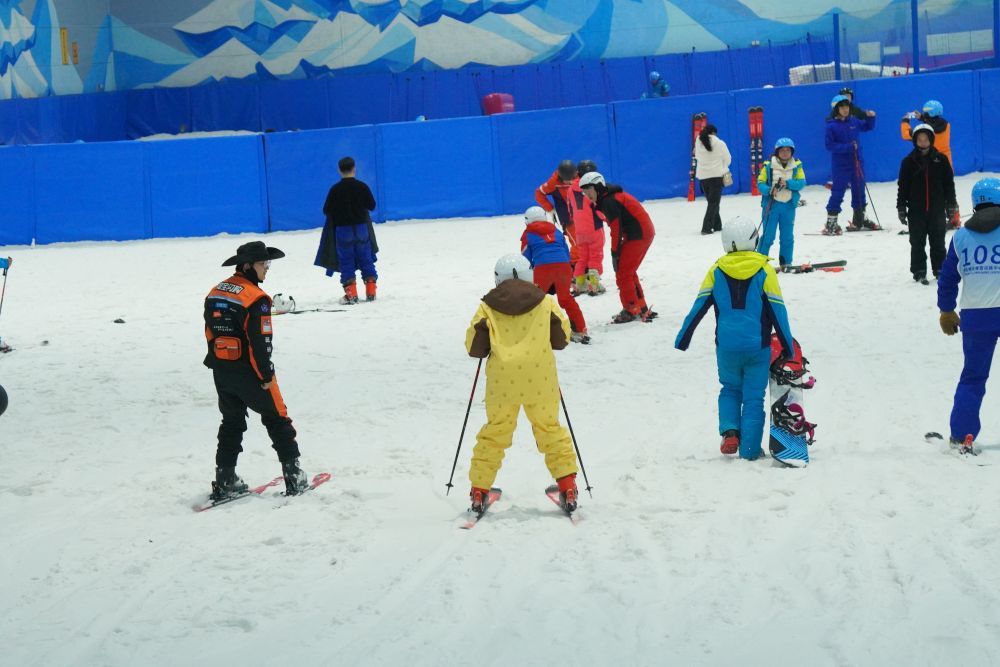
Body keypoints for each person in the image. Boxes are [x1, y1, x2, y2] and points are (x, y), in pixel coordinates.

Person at [465, 253, 580, 513]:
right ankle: (568, 486)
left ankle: (479, 491)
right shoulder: (546, 302)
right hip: (540, 380)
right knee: (550, 429)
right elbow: (562, 338)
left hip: (502, 384)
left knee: (495, 433)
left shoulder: (487, 307)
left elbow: (474, 347)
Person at [674, 216, 795, 460]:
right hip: (757, 348)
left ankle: (730, 431)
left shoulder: (716, 270)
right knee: (753, 398)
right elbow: (778, 310)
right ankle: (749, 450)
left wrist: (683, 338)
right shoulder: (764, 270)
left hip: (726, 348)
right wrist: (788, 346)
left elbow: (698, 307)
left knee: (729, 389)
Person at [204, 241, 308, 498]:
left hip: (221, 369)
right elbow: (260, 343)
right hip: (250, 371)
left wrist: (218, 362)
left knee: (231, 422)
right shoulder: (257, 299)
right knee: (277, 417)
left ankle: (225, 479)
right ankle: (294, 477)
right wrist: (265, 375)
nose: (267, 268)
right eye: (264, 263)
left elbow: (210, 332)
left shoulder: (215, 292)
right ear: (247, 266)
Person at [936, 177, 1000, 453]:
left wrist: (946, 309)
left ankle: (962, 435)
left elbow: (947, 279)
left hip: (976, 316)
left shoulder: (960, 237)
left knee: (973, 378)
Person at [579, 171, 657, 323]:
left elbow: (616, 229)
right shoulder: (609, 197)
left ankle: (631, 309)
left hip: (638, 234)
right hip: (640, 232)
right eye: (584, 190)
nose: (586, 194)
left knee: (623, 273)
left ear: (598, 187)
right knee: (628, 271)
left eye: (588, 189)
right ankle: (640, 307)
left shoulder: (609, 201)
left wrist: (615, 252)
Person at [896, 124, 958, 284]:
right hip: (916, 211)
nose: (923, 142)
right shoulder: (908, 162)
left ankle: (940, 269)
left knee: (938, 242)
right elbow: (902, 187)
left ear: (931, 139)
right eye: (920, 139)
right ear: (915, 141)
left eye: (925, 139)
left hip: (937, 210)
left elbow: (949, 185)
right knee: (917, 242)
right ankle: (919, 271)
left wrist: (951, 205)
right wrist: (901, 207)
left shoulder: (941, 160)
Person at [315, 156, 379, 304]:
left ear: (339, 170)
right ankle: (371, 291)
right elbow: (372, 205)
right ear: (354, 168)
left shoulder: (335, 189)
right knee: (366, 258)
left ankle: (352, 294)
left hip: (343, 231)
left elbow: (327, 210)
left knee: (346, 261)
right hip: (362, 229)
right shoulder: (362, 186)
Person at [521, 205, 589, 343]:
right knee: (566, 299)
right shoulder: (556, 231)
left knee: (535, 300)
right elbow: (566, 252)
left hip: (542, 268)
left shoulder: (527, 234)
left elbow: (525, 258)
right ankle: (580, 330)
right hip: (563, 267)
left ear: (527, 220)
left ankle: (532, 332)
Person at [901, 100, 960, 229]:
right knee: (948, 191)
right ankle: (954, 218)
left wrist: (905, 121)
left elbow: (907, 134)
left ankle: (932, 218)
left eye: (926, 112)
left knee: (933, 193)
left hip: (931, 165)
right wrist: (922, 118)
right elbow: (933, 124)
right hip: (946, 163)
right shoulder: (946, 124)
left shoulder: (926, 133)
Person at [824, 94, 876, 235]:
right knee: (838, 191)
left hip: (857, 162)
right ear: (836, 109)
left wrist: (871, 118)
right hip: (841, 165)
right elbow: (830, 145)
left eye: (847, 106)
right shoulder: (831, 126)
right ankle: (831, 222)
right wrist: (848, 147)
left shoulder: (853, 121)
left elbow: (867, 127)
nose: (845, 109)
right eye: (841, 107)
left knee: (859, 189)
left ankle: (859, 219)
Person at [757, 137, 807, 267]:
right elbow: (760, 183)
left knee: (787, 237)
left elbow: (801, 183)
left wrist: (788, 183)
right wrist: (769, 190)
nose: (785, 153)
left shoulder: (797, 165)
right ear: (777, 152)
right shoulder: (768, 166)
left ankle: (786, 263)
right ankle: (760, 262)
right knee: (768, 236)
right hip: (771, 206)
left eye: (788, 150)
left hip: (788, 206)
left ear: (792, 152)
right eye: (782, 150)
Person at [534, 160, 580, 284]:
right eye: (566, 180)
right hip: (568, 219)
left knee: (587, 243)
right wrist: (550, 208)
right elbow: (539, 193)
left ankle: (585, 268)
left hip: (584, 217)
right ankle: (574, 270)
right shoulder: (553, 182)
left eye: (572, 179)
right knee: (577, 244)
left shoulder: (581, 176)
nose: (569, 182)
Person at [565, 171, 608, 296]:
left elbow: (570, 209)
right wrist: (606, 217)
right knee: (596, 256)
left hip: (579, 230)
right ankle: (594, 284)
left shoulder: (570, 189)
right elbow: (598, 207)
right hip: (594, 228)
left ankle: (580, 284)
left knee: (582, 257)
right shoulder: (591, 188)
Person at [694, 124, 732, 235]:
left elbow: (697, 157)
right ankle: (706, 228)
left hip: (703, 177)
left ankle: (717, 225)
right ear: (714, 133)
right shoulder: (720, 143)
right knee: (713, 203)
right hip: (716, 176)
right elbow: (728, 159)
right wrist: (722, 166)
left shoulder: (698, 142)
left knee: (712, 202)